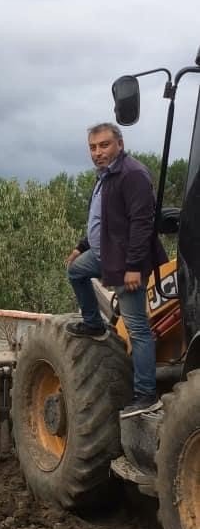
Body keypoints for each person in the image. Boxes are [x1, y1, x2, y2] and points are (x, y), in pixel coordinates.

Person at [65, 123, 165, 418]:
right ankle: (94, 324)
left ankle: (146, 395)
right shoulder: (105, 176)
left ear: (119, 144)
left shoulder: (132, 174)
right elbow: (102, 219)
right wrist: (81, 247)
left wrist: (133, 267)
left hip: (126, 263)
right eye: (93, 147)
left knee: (137, 328)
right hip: (104, 255)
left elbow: (141, 224)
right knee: (76, 271)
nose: (98, 152)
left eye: (104, 145)